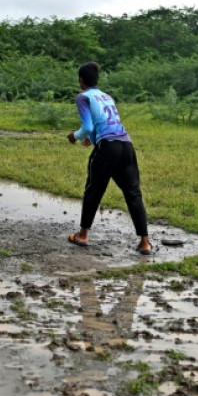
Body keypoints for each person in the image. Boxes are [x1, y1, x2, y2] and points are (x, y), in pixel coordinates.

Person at [66, 61, 152, 255]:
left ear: (81, 80)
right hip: (126, 145)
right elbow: (104, 122)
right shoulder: (107, 96)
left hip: (107, 148)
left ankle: (82, 235)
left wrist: (74, 136)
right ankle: (145, 243)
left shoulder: (83, 97)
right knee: (133, 193)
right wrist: (93, 137)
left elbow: (88, 126)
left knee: (93, 190)